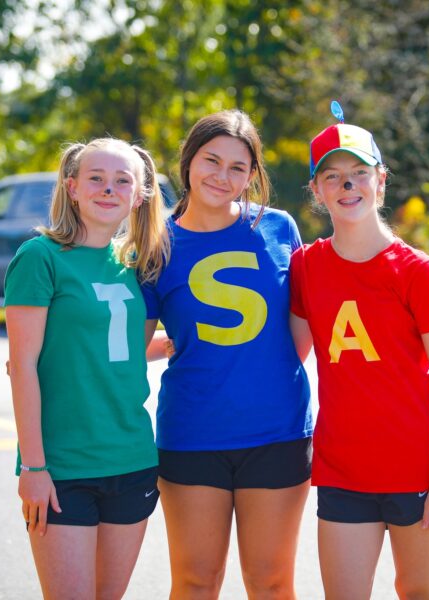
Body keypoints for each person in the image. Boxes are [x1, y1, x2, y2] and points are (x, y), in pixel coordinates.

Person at [289, 103, 429, 600]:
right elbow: (287, 356)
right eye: (334, 177)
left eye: (359, 174)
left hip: (417, 470)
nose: (348, 187)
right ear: (317, 190)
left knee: (418, 591)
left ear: (380, 181)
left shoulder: (416, 271)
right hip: (343, 469)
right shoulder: (306, 266)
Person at [143, 109, 313, 599]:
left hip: (276, 433)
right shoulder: (157, 244)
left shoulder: (279, 228)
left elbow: (301, 326)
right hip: (192, 434)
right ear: (188, 161)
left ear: (253, 175)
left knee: (271, 582)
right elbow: (131, 343)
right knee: (196, 582)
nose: (222, 176)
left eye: (238, 168)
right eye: (211, 160)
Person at [4, 138, 171, 599]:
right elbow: (23, 365)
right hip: (62, 467)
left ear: (138, 196)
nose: (108, 188)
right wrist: (34, 466)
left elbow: (117, 348)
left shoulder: (135, 265)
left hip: (132, 458)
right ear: (72, 186)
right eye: (96, 178)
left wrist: (181, 344)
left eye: (122, 181)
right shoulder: (40, 258)